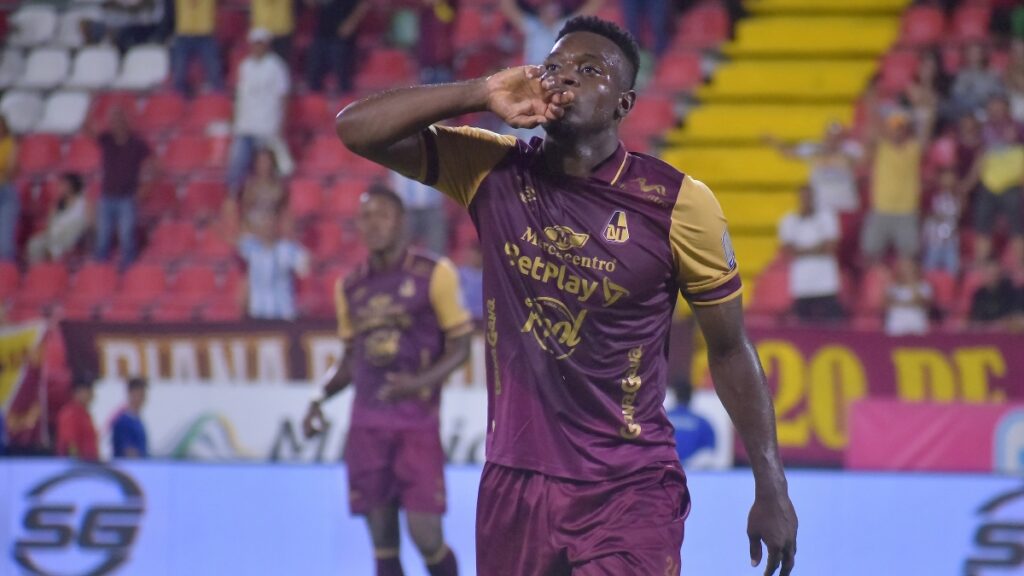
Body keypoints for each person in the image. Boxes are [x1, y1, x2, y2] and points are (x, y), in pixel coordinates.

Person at [335, 15, 797, 575]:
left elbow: (728, 349)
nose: (564, 78)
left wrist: (771, 484)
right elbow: (355, 129)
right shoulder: (491, 171)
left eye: (588, 69)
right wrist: (480, 92)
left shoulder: (679, 205)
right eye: (552, 66)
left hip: (628, 487)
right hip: (514, 484)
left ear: (624, 103)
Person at [302, 187, 472, 576]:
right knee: (382, 544)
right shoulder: (350, 287)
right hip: (367, 427)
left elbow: (461, 348)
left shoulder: (435, 274)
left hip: (417, 425)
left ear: (401, 222)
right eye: (365, 216)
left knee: (425, 534)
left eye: (382, 215)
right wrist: (317, 399)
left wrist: (417, 384)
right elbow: (350, 361)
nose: (372, 224)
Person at [499, 0, 604, 140]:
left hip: (555, 84)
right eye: (547, 10)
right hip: (532, 81)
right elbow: (508, 8)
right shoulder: (533, 27)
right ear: (541, 12)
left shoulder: (563, 28)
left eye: (553, 10)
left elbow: (588, 10)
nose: (549, 14)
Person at [227, 28, 292, 199]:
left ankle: (278, 200)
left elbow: (283, 96)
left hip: (267, 125)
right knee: (237, 168)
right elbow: (240, 96)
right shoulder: (244, 66)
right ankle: (234, 202)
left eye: (260, 43)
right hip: (245, 126)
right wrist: (234, 120)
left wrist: (281, 123)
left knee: (273, 168)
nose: (257, 47)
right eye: (255, 43)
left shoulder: (277, 66)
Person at [960, 94, 1024, 265]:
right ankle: (981, 263)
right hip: (989, 186)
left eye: (999, 107)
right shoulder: (985, 130)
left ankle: (1020, 265)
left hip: (1012, 186)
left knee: (1018, 229)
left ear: (1007, 109)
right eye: (992, 108)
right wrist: (967, 184)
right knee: (983, 227)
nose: (995, 111)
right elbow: (980, 157)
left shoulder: (1018, 127)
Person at [861, 108, 927, 264]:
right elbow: (871, 134)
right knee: (870, 253)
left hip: (906, 210)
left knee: (909, 255)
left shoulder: (913, 149)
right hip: (881, 208)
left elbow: (925, 136)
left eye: (900, 128)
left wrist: (926, 112)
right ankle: (878, 285)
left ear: (906, 130)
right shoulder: (882, 148)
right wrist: (872, 102)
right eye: (893, 128)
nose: (896, 132)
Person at [95, 108, 153, 269]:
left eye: (120, 120)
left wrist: (146, 187)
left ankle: (129, 272)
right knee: (103, 237)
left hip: (126, 197)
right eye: (114, 120)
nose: (117, 124)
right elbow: (87, 130)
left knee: (127, 237)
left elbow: (155, 165)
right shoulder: (106, 140)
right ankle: (100, 273)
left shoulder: (137, 143)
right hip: (107, 196)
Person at [764, 122, 862, 215]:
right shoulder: (812, 148)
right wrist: (774, 142)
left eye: (836, 137)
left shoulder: (851, 149)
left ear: (841, 138)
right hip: (821, 207)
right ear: (824, 136)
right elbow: (788, 153)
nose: (832, 140)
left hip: (846, 206)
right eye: (830, 136)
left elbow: (860, 160)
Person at [779, 185, 845, 323]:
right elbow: (788, 250)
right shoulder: (789, 220)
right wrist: (817, 247)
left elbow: (831, 247)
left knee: (832, 325)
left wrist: (802, 250)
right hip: (802, 285)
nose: (806, 200)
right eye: (803, 197)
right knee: (804, 328)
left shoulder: (827, 217)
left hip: (826, 284)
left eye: (809, 197)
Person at [238, 206, 310, 320]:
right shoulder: (250, 247)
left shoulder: (288, 249)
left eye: (270, 222)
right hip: (258, 313)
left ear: (276, 225)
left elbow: (304, 270)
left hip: (283, 313)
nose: (267, 226)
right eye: (264, 222)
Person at [304, 0, 369, 93]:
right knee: (314, 76)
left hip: (342, 38)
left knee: (343, 77)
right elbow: (312, 4)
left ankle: (347, 102)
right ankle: (316, 103)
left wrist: (351, 23)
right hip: (321, 34)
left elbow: (363, 5)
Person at [27, 173, 89, 264]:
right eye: (60, 185)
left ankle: (57, 263)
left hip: (72, 235)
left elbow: (88, 223)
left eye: (63, 185)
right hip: (55, 234)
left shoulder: (84, 202)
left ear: (72, 186)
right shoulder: (56, 205)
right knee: (34, 243)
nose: (60, 188)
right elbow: (50, 224)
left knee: (74, 228)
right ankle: (39, 271)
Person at [170, 0, 223, 96]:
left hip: (205, 35)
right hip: (184, 35)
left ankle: (219, 102)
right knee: (179, 74)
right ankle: (178, 105)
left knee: (214, 73)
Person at [388, 170, 448, 254]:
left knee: (436, 247)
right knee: (400, 247)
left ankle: (435, 266)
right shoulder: (396, 157)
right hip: (406, 208)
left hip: (432, 207)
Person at [666, 376, 716, 468]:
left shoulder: (663, 419)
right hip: (694, 473)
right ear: (691, 397)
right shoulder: (703, 423)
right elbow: (709, 452)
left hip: (666, 469)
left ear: (675, 396)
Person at [921, 167, 962, 275]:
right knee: (929, 271)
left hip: (950, 241)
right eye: (945, 177)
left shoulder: (958, 195)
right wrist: (936, 216)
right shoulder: (932, 194)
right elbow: (923, 213)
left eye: (951, 177)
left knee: (953, 272)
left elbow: (959, 216)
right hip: (933, 241)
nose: (948, 180)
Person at [950, 42, 1003, 116]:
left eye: (976, 52)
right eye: (971, 53)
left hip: (991, 110)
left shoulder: (992, 72)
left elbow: (999, 92)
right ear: (966, 55)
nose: (974, 56)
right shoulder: (962, 75)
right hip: (970, 113)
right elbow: (958, 97)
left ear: (982, 54)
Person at [240, 147, 287, 232]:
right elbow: (245, 211)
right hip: (253, 228)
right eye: (260, 161)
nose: (264, 165)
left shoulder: (279, 186)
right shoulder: (249, 185)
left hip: (273, 227)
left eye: (266, 161)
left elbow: (282, 210)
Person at [56, 375, 99, 461]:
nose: (92, 395)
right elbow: (70, 444)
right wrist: (76, 465)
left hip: (88, 465)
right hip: (77, 467)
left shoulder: (85, 414)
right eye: (88, 391)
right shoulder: (70, 413)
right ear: (77, 392)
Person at [885, 259, 932, 336]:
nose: (907, 272)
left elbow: (923, 303)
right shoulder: (893, 287)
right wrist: (910, 303)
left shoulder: (924, 286)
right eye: (904, 269)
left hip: (916, 323)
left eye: (909, 269)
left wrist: (912, 285)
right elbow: (886, 304)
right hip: (896, 325)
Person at [970, 259, 1018, 326]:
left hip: (1004, 331)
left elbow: (1013, 316)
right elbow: (975, 318)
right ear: (984, 275)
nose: (992, 277)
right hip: (984, 332)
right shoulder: (978, 294)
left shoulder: (1009, 292)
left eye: (994, 274)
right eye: (989, 274)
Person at [111, 377, 149, 458]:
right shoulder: (123, 422)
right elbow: (129, 452)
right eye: (139, 395)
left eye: (143, 395)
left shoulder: (137, 421)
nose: (142, 399)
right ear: (130, 394)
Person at [0, 115, 18, 262]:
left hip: (5, 192)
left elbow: (10, 170)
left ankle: (7, 273)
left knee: (4, 242)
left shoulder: (10, 144)